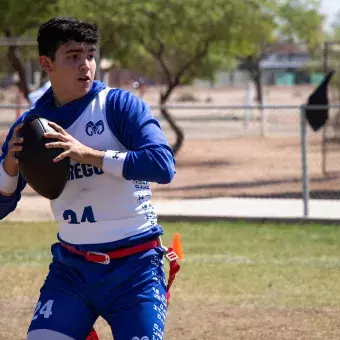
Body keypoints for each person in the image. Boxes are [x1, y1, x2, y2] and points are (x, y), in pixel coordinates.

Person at [0, 17, 177, 340]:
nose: (86, 65)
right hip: (72, 270)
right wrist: (10, 167)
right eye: (72, 56)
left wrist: (89, 155)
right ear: (46, 64)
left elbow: (162, 165)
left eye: (90, 55)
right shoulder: (30, 126)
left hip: (135, 267)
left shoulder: (119, 106)